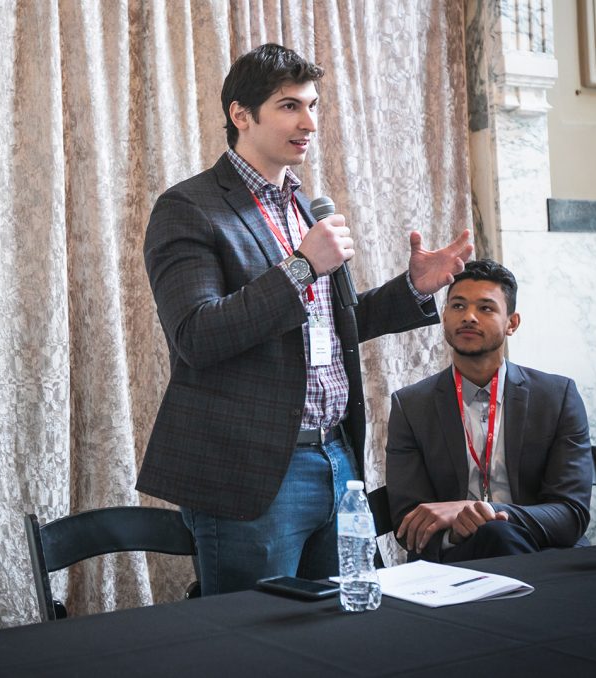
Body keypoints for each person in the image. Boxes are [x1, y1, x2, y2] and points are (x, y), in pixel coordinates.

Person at [135, 43, 472, 594]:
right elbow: (197, 334)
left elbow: (339, 326)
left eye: (313, 105)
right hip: (253, 470)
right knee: (255, 645)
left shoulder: (306, 205)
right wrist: (301, 266)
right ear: (240, 115)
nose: (309, 122)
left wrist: (414, 287)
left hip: (336, 457)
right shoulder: (190, 208)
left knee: (341, 635)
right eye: (290, 106)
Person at [386, 259, 592, 563]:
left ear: (512, 323)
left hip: (544, 553)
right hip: (457, 559)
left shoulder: (556, 397)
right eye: (457, 306)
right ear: (443, 316)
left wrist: (486, 514)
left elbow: (570, 512)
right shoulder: (412, 405)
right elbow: (408, 522)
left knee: (499, 533)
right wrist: (456, 533)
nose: (468, 317)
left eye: (486, 308)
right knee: (493, 536)